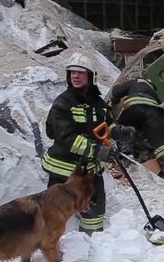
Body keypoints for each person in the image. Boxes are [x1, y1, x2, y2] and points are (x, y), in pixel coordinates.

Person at [41, 52, 118, 235]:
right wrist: (96, 149)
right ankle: (51, 247)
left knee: (95, 212)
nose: (75, 76)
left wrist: (118, 136)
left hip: (90, 171)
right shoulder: (63, 103)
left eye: (80, 73)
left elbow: (106, 126)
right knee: (54, 212)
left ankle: (90, 244)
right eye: (72, 73)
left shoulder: (97, 103)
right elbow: (65, 137)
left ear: (90, 76)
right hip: (63, 171)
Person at [110, 77, 164, 179]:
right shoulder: (153, 91)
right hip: (153, 111)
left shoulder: (134, 82)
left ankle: (127, 154)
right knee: (160, 142)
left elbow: (116, 91)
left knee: (125, 129)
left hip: (133, 107)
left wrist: (114, 99)